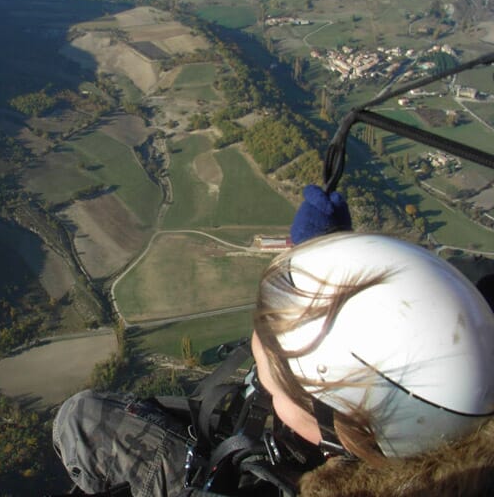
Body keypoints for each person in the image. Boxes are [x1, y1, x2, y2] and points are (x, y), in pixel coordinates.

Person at [51, 186, 494, 496]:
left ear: (341, 425)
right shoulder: (412, 423)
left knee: (80, 419)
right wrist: (320, 263)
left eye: (273, 377)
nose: (259, 367)